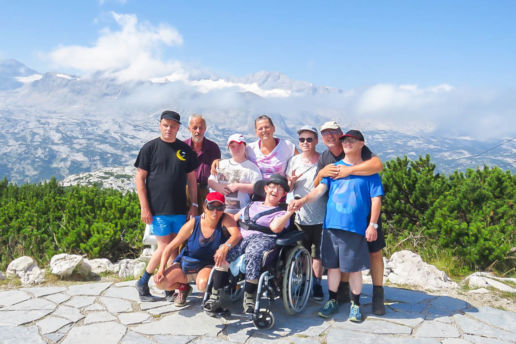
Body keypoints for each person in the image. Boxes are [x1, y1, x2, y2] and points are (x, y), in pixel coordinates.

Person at [290, 130, 384, 322]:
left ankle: (355, 304)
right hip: (331, 225)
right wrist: (304, 200)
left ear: (361, 144)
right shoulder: (333, 168)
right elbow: (320, 189)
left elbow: (376, 200)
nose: (347, 143)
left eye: (352, 140)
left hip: (355, 227)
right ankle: (332, 300)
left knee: (354, 268)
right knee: (332, 267)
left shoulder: (368, 171)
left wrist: (372, 224)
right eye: (345, 141)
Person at [315, 121, 387, 316]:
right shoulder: (325, 157)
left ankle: (377, 295)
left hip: (365, 213)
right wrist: (322, 172)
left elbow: (377, 165)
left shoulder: (360, 149)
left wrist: (349, 170)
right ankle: (343, 292)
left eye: (333, 133)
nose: (329, 136)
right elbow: (319, 184)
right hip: (339, 217)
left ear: (339, 134)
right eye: (325, 134)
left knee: (374, 252)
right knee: (343, 258)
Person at [134, 110, 199, 302]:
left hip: (180, 209)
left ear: (178, 128)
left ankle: (169, 287)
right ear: (160, 125)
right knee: (165, 247)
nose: (169, 129)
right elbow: (140, 178)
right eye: (165, 125)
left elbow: (192, 180)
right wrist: (144, 207)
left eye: (173, 126)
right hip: (159, 209)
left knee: (175, 248)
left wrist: (194, 204)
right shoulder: (150, 148)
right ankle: (143, 281)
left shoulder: (185, 150)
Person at [206, 174, 295, 314]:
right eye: (272, 187)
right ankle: (214, 296)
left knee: (253, 253)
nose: (275, 191)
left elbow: (276, 228)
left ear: (284, 194)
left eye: (280, 189)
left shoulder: (282, 212)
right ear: (266, 188)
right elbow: (234, 219)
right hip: (242, 237)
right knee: (223, 252)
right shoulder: (252, 204)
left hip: (264, 239)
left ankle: (249, 298)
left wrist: (289, 213)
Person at [153, 192, 242, 307]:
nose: (215, 211)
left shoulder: (224, 218)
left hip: (207, 264)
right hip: (187, 263)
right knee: (161, 283)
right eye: (211, 206)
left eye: (219, 207)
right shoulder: (194, 223)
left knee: (202, 284)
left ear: (224, 208)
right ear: (205, 207)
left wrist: (225, 246)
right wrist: (161, 269)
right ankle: (183, 288)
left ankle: (211, 297)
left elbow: (236, 235)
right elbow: (170, 247)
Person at [285, 126, 325, 301]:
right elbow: (288, 188)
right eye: (302, 139)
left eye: (309, 139)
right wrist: (291, 183)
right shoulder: (294, 161)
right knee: (302, 251)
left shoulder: (323, 160)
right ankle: (302, 282)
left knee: (317, 253)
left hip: (321, 214)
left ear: (316, 141)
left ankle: (316, 283)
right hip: (300, 216)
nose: (305, 143)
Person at [211, 115, 297, 180]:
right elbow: (236, 158)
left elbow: (300, 161)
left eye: (267, 127)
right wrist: (218, 161)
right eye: (260, 128)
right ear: (256, 132)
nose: (264, 131)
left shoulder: (286, 146)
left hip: (278, 195)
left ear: (273, 128)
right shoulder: (250, 149)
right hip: (255, 195)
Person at [208, 134, 262, 214]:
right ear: (228, 148)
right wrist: (218, 187)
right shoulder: (221, 164)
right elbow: (211, 181)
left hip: (241, 212)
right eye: (233, 146)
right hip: (219, 210)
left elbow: (258, 187)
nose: (236, 149)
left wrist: (239, 186)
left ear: (245, 146)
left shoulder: (252, 168)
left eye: (239, 145)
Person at [185, 114, 221, 212]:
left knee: (205, 223)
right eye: (195, 128)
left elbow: (217, 169)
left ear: (205, 129)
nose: (198, 131)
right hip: (185, 192)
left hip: (205, 191)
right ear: (189, 128)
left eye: (201, 128)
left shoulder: (213, 148)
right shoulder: (182, 147)